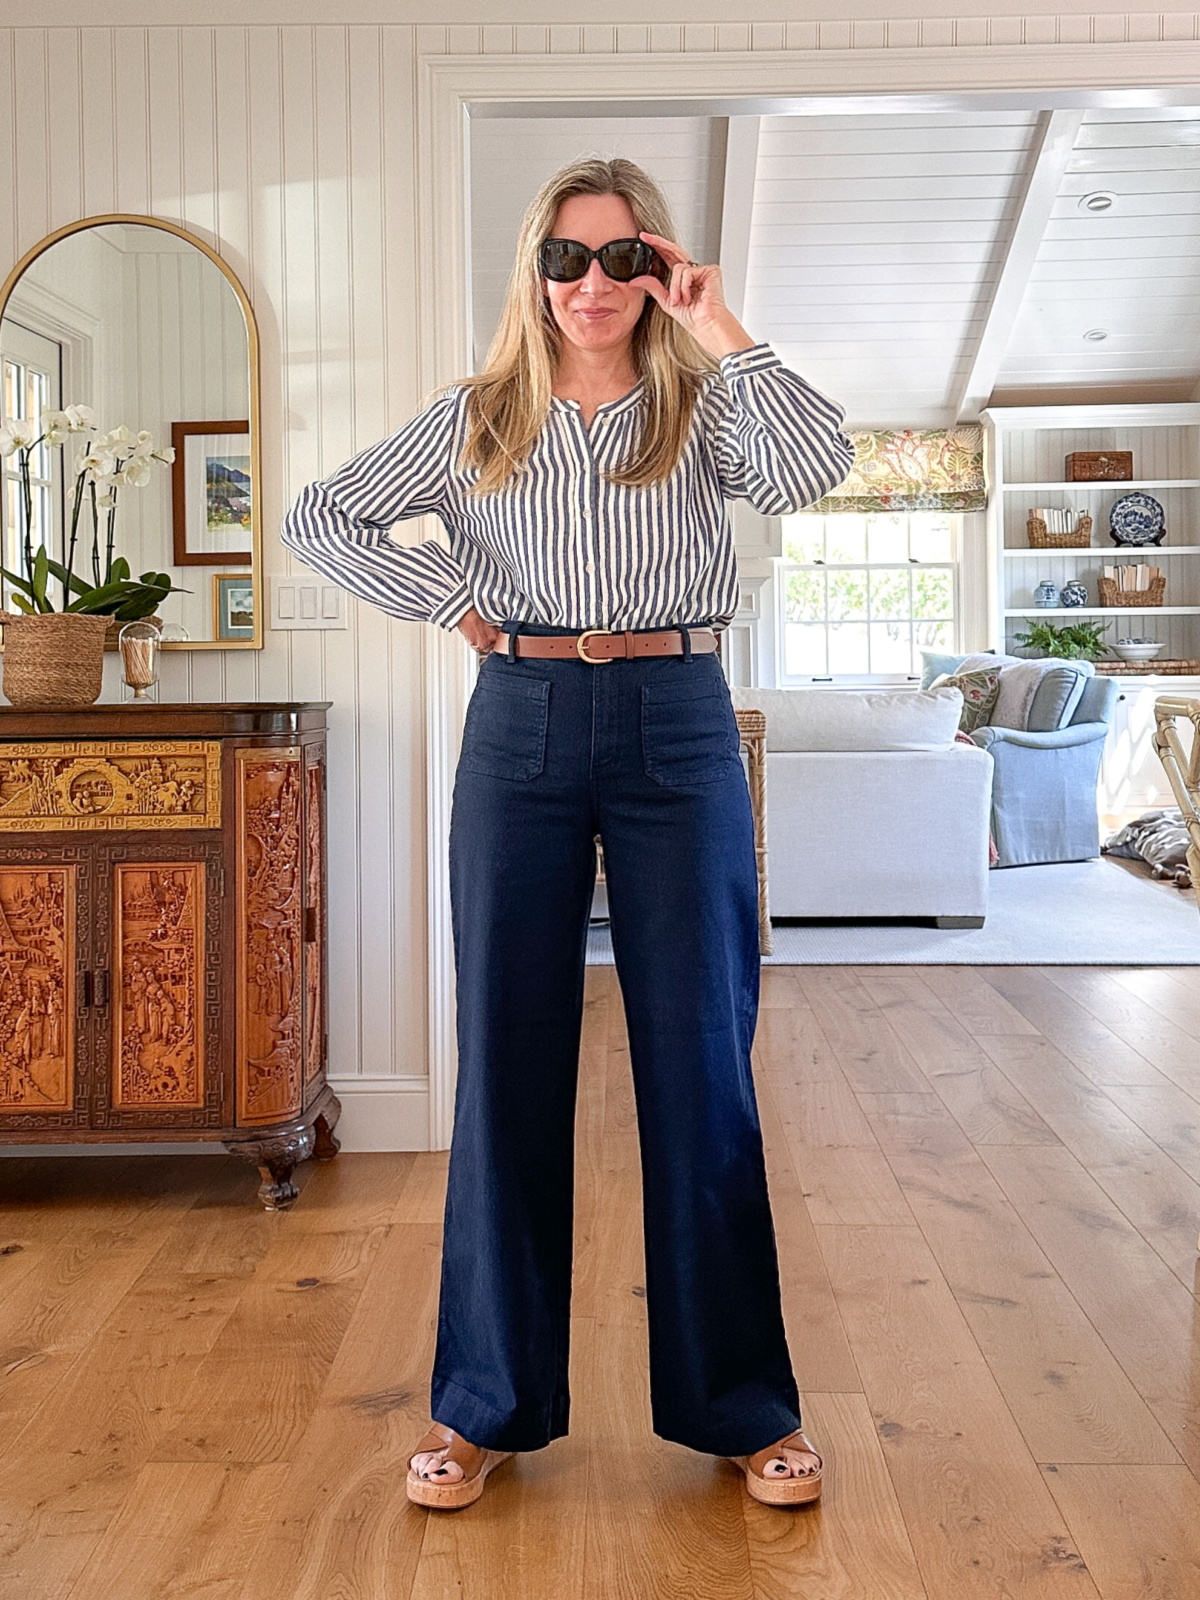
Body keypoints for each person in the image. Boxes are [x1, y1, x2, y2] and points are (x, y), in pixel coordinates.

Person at [282, 156, 854, 1511]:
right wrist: (452, 605)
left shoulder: (705, 405)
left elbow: (816, 470)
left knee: (703, 1064)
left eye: (622, 259)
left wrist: (724, 319)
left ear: (656, 271)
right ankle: (484, 1404)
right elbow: (321, 516)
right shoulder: (477, 416)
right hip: (522, 718)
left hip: (677, 714)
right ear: (534, 272)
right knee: (505, 1060)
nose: (591, 285)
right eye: (567, 258)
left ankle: (741, 1407)